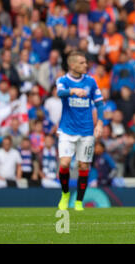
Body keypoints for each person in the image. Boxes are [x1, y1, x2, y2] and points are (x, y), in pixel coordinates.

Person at [56, 51, 104, 211]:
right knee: (64, 163)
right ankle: (65, 194)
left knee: (83, 166)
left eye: (86, 62)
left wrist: (100, 123)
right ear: (72, 65)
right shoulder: (63, 80)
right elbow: (59, 93)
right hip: (67, 130)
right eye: (82, 63)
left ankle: (78, 202)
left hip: (86, 131)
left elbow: (99, 103)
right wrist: (73, 91)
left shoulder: (90, 81)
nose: (86, 65)